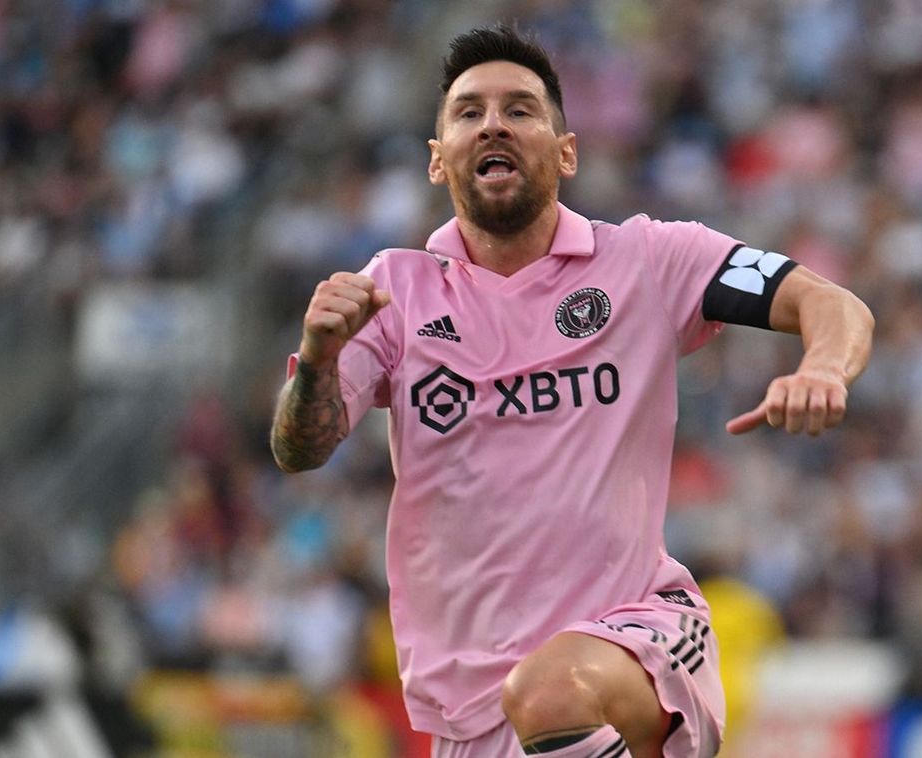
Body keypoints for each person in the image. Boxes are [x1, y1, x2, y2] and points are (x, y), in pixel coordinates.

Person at [270, 25, 874, 758]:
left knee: (548, 690)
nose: (492, 122)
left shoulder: (648, 260)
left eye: (520, 108)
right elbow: (300, 448)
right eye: (468, 112)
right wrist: (317, 357)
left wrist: (821, 369)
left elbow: (828, 302)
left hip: (637, 638)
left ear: (566, 151)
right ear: (437, 161)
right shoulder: (393, 291)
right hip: (472, 711)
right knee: (536, 697)